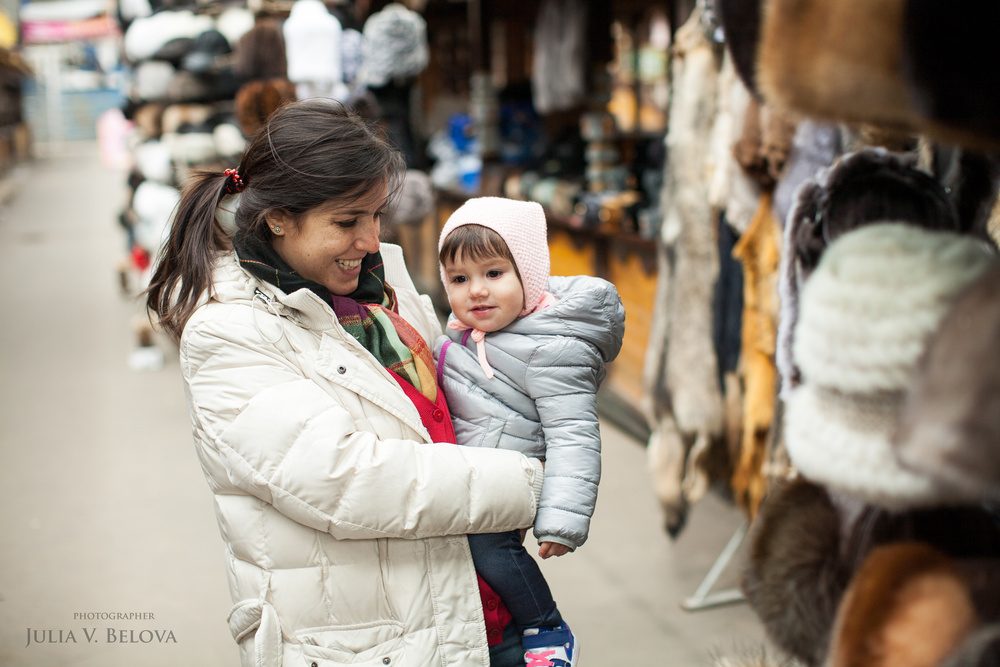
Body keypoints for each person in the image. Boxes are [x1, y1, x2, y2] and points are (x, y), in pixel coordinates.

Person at [144, 99, 546, 667]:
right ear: (279, 217)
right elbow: (350, 480)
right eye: (347, 221)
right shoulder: (228, 331)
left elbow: (449, 410)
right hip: (367, 645)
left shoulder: (383, 287)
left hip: (471, 613)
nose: (370, 239)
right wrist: (533, 483)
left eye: (377, 215)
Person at [434, 196, 626, 667]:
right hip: (477, 472)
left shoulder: (552, 347)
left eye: (494, 274)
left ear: (529, 275)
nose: (476, 291)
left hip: (510, 478)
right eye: (460, 279)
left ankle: (546, 625)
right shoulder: (470, 331)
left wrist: (563, 519)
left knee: (489, 548)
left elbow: (574, 434)